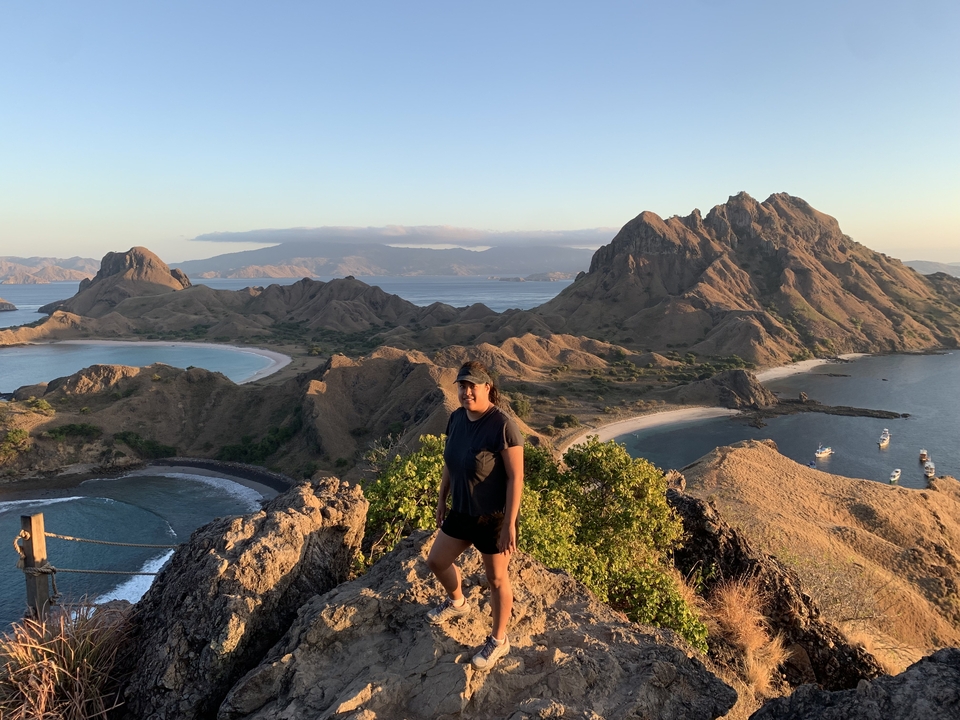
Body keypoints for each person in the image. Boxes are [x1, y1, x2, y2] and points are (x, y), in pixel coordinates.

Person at [425, 360, 524, 670]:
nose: (466, 391)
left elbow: (515, 478)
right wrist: (442, 498)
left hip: (492, 517)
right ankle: (458, 602)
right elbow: (450, 463)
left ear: (487, 388)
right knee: (437, 561)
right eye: (462, 386)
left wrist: (509, 523)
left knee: (496, 579)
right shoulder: (455, 419)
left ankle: (499, 640)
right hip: (462, 510)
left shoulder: (502, 426)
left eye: (472, 386)